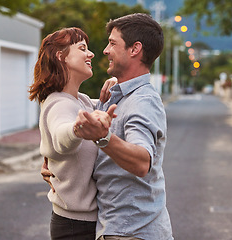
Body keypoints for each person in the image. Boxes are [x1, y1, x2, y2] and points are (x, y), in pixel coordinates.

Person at [74, 13, 174, 240]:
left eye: (112, 43)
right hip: (120, 228)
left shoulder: (142, 101)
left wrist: (104, 138)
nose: (105, 50)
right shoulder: (118, 94)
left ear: (134, 49)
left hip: (133, 232)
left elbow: (142, 162)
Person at [28, 27, 116, 240]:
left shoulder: (82, 100)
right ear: (61, 57)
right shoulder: (57, 103)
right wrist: (78, 129)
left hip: (90, 221)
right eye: (82, 48)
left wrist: (118, 85)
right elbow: (62, 137)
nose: (91, 54)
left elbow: (107, 110)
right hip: (74, 227)